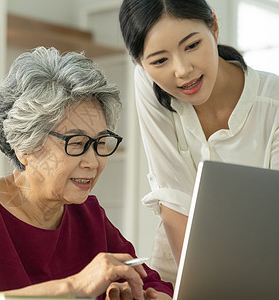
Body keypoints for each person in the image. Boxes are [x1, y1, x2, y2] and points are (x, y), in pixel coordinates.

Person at [0, 47, 174, 300]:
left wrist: (148, 294)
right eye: (77, 144)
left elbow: (150, 280)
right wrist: (73, 287)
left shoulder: (88, 215)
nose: (93, 162)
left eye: (100, 143)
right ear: (25, 146)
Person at [119, 0, 279, 284]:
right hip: (179, 264)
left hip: (263, 264)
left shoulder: (274, 103)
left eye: (192, 45)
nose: (182, 70)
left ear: (214, 28)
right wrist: (198, 285)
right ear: (141, 64)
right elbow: (172, 190)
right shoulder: (149, 83)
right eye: (159, 61)